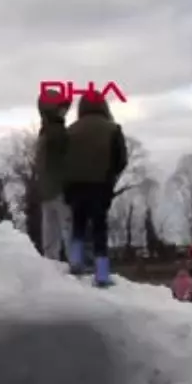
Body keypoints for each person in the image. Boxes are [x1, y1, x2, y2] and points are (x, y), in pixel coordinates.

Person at [62, 93, 129, 287]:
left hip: (75, 185)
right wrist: (110, 176)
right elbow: (121, 160)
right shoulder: (113, 129)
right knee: (100, 228)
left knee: (78, 225)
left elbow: (62, 161)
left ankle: (75, 263)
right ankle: (101, 274)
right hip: (100, 185)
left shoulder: (70, 131)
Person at [35, 88, 72, 262]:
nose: (65, 111)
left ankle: (52, 269)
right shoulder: (58, 132)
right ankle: (77, 265)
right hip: (60, 189)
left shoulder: (46, 132)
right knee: (68, 229)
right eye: (61, 108)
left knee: (51, 237)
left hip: (48, 189)